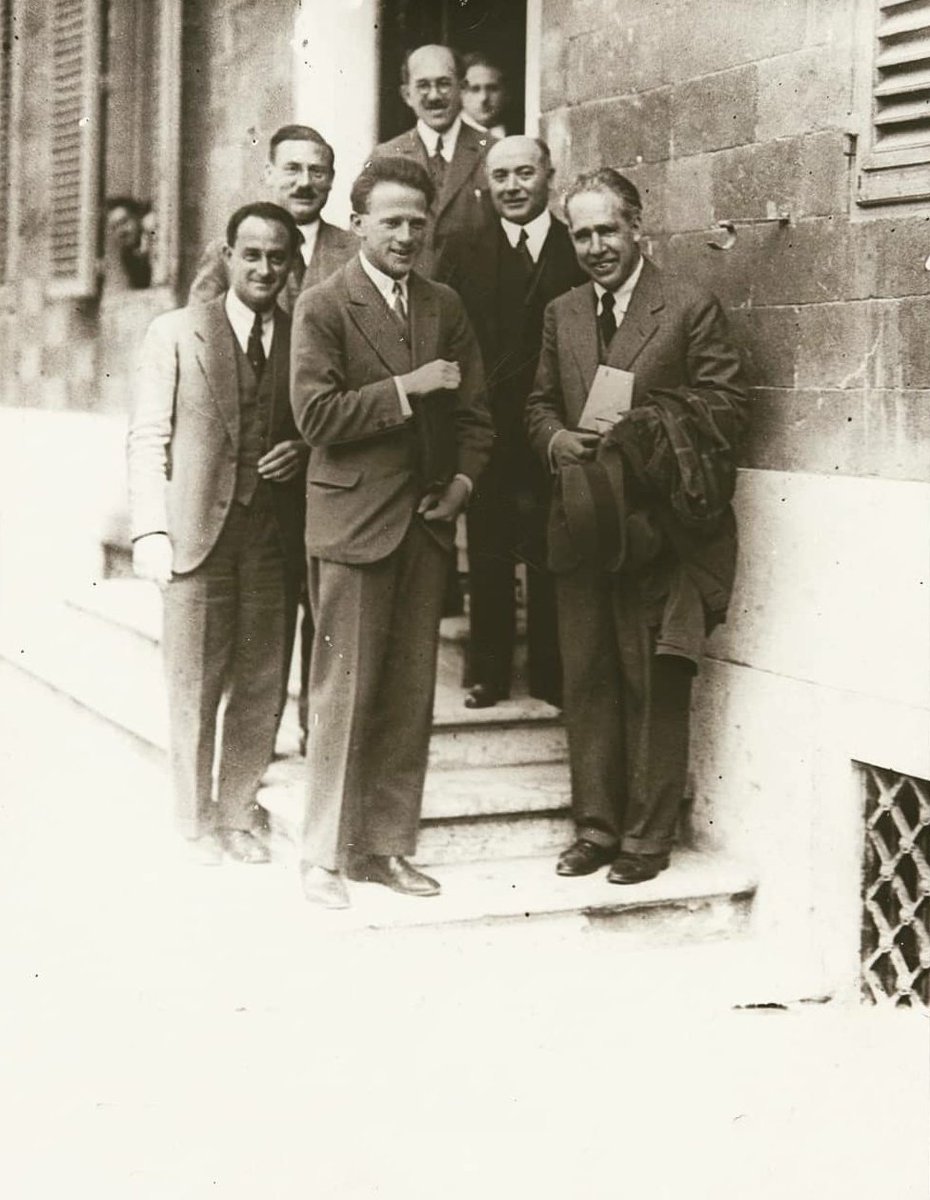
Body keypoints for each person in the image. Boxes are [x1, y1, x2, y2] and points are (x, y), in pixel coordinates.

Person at [525, 169, 748, 885]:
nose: (595, 246)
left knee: (652, 681)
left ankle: (647, 840)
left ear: (636, 228)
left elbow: (727, 406)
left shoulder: (687, 307)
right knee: (587, 677)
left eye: (607, 230)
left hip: (659, 533)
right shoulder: (561, 313)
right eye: (581, 234)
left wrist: (645, 428)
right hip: (583, 524)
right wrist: (555, 439)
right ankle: (594, 826)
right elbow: (535, 403)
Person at [290, 156, 493, 909]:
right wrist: (408, 389)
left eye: (418, 221)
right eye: (392, 221)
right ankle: (321, 857)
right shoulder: (323, 305)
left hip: (427, 526)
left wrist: (465, 484)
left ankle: (385, 847)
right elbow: (316, 418)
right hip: (352, 524)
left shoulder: (445, 305)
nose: (406, 235)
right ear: (359, 223)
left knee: (409, 696)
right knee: (342, 695)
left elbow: (477, 416)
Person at [128, 202, 308, 864]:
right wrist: (150, 530)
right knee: (194, 683)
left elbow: (320, 424)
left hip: (271, 537)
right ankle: (193, 820)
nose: (264, 267)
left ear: (291, 264)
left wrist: (303, 454)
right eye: (251, 254)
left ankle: (236, 812)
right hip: (195, 535)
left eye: (277, 256)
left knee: (261, 680)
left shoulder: (301, 336)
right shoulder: (176, 332)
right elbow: (148, 435)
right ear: (228, 256)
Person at [189, 125, 355, 755]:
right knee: (255, 614)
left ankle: (320, 732)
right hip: (257, 469)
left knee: (328, 604)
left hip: (333, 457)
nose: (304, 182)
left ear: (332, 181)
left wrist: (312, 441)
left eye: (317, 170)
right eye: (291, 169)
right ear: (270, 173)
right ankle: (251, 742)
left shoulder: (352, 248)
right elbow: (207, 359)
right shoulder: (228, 251)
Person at [439, 136, 585, 709]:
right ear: (486, 184)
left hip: (556, 424)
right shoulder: (462, 249)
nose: (512, 187)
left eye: (525, 173)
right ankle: (487, 672)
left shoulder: (577, 252)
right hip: (490, 426)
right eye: (500, 177)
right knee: (490, 547)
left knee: (554, 547)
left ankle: (551, 673)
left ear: (550, 175)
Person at [371, 44, 491, 276]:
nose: (435, 96)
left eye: (444, 84)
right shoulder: (385, 156)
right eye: (423, 85)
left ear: (463, 88)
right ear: (407, 95)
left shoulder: (492, 151)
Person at [104, 196, 152, 289]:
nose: (121, 231)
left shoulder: (153, 235)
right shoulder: (128, 257)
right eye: (114, 227)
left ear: (138, 218)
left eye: (124, 222)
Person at [461, 52, 508, 139]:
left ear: (506, 94)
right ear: (460, 94)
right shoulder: (449, 140)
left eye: (492, 89)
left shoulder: (518, 134)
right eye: (475, 89)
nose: (484, 98)